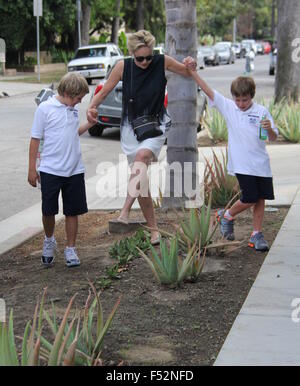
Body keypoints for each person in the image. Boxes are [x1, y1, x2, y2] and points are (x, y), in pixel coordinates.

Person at [87, 30, 196, 245]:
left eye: (149, 56)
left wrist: (191, 63)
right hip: (131, 128)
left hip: (156, 124)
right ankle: (154, 230)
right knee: (141, 181)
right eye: (140, 58)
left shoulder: (161, 61)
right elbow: (104, 90)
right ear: (132, 54)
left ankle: (125, 211)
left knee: (142, 158)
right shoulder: (122, 66)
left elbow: (186, 71)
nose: (145, 61)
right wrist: (91, 107)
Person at [184, 62, 278, 251]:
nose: (241, 104)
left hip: (261, 163)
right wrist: (193, 72)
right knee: (250, 197)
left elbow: (272, 137)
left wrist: (270, 130)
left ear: (252, 96)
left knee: (260, 199)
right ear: (233, 97)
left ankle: (256, 235)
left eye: (245, 99)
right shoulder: (229, 108)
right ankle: (226, 215)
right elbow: (209, 91)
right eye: (238, 99)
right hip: (242, 164)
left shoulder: (261, 112)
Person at [28, 73, 94, 267]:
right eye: (78, 98)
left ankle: (71, 249)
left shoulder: (71, 109)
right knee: (48, 210)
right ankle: (49, 240)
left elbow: (73, 133)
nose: (79, 101)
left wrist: (89, 124)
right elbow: (35, 139)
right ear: (66, 93)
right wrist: (32, 169)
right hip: (50, 169)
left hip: (74, 169)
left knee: (72, 211)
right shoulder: (45, 109)